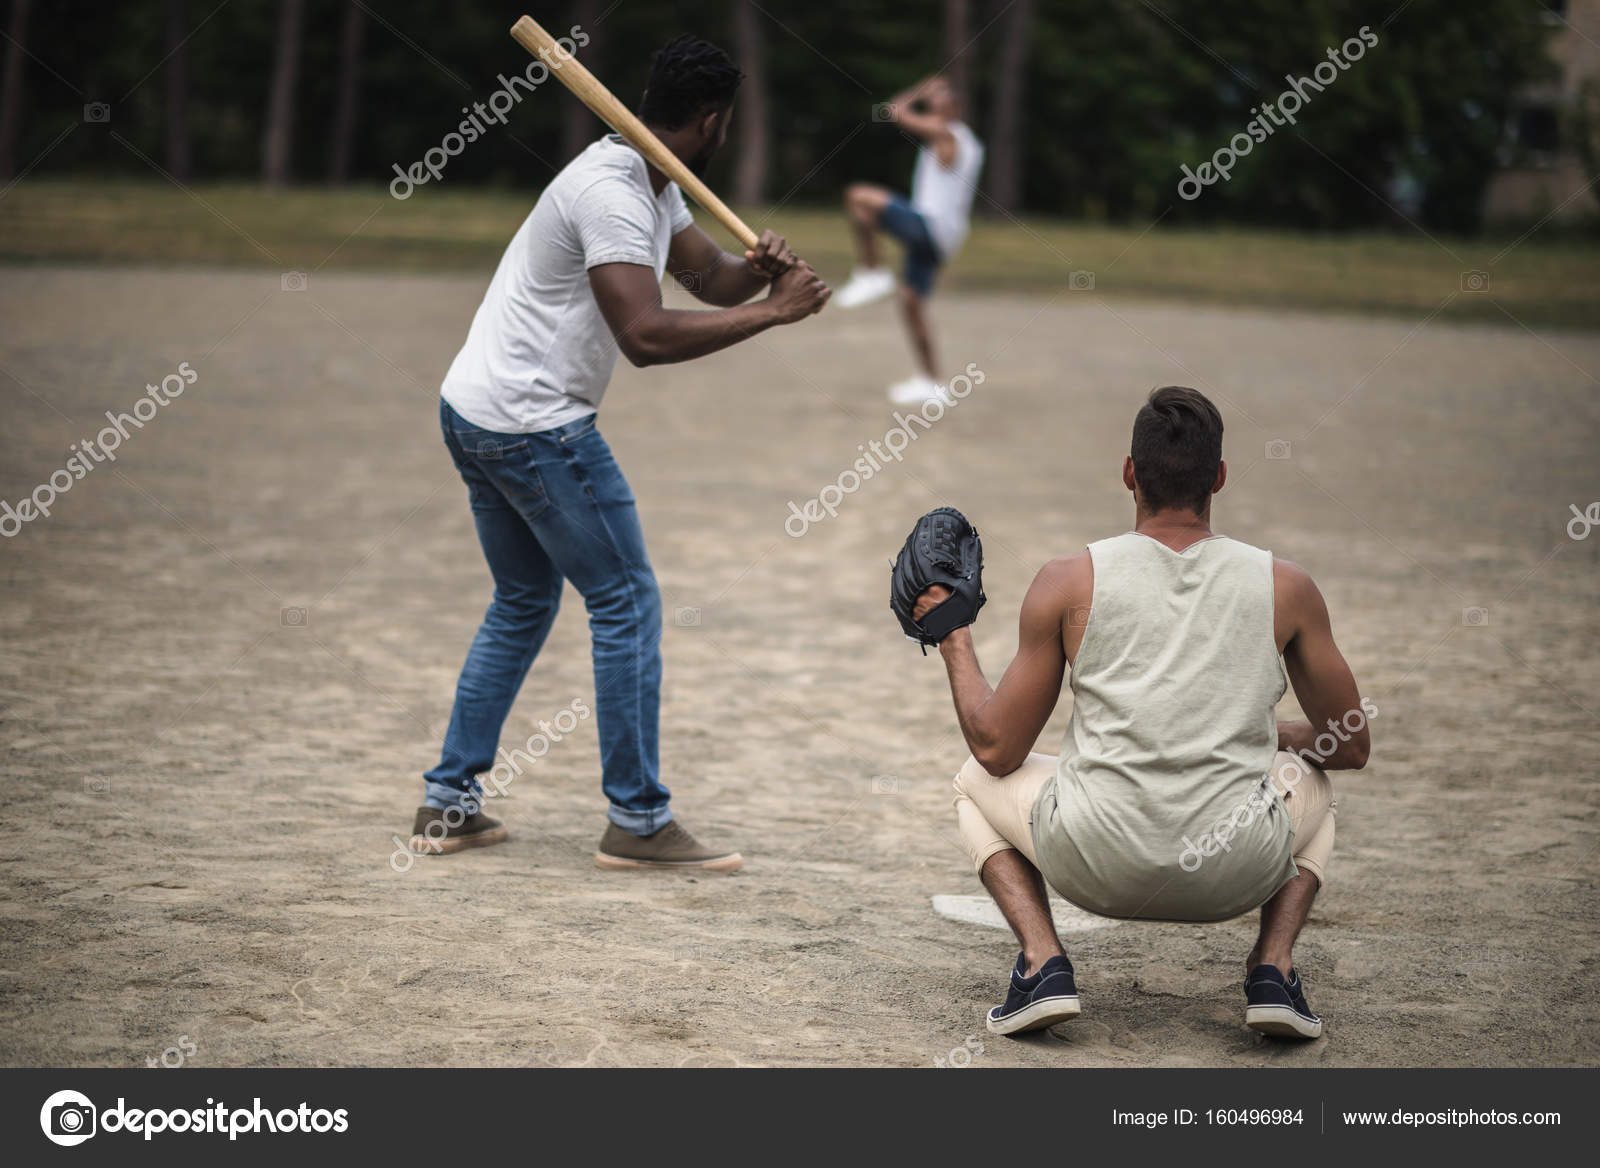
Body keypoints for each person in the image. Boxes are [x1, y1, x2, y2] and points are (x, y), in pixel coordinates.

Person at [407, 35, 831, 871]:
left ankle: (448, 804)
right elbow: (643, 335)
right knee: (626, 602)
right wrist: (777, 315)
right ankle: (637, 821)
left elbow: (706, 282)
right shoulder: (611, 190)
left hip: (477, 410)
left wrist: (757, 272)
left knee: (524, 602)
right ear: (714, 120)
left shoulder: (647, 172)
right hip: (532, 426)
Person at [914, 386, 1370, 1038]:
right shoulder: (1286, 586)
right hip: (1234, 869)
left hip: (1095, 863)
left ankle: (1042, 962)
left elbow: (997, 750)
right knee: (1314, 780)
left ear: (1130, 472)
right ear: (1218, 478)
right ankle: (1273, 968)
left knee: (971, 780)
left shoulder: (1067, 580)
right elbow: (1350, 745)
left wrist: (954, 638)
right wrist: (1273, 736)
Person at [835, 74, 984, 405]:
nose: (932, 107)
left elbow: (894, 111)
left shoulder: (947, 133)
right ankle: (932, 383)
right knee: (911, 302)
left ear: (954, 108)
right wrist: (928, 92)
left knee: (859, 197)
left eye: (939, 102)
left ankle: (872, 273)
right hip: (942, 236)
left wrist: (919, 89)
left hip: (928, 227)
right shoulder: (967, 140)